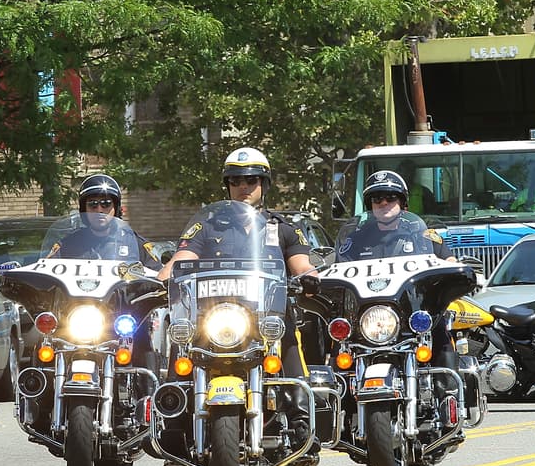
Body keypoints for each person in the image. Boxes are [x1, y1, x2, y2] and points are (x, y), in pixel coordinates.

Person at [159, 147, 317, 391]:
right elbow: (181, 260)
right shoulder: (207, 226)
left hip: (266, 316)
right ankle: (173, 408)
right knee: (181, 337)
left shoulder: (284, 228)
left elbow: (303, 266)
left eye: (251, 180)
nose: (243, 186)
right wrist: (162, 279)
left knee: (288, 341)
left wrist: (310, 278)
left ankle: (299, 414)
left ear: (264, 184)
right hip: (212, 315)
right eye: (235, 180)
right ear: (228, 185)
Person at [47, 174, 162, 269]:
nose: (99, 210)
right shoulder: (68, 243)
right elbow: (46, 272)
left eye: (106, 204)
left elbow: (158, 279)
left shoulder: (136, 244)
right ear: (84, 209)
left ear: (116, 208)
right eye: (93, 204)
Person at [338, 170, 456, 262]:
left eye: (391, 198)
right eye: (377, 199)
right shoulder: (356, 238)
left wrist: (454, 264)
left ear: (402, 203)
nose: (384, 203)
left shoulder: (424, 234)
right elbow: (340, 270)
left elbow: (449, 261)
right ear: (370, 205)